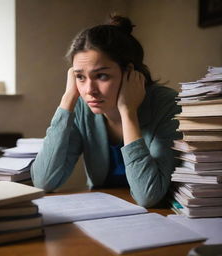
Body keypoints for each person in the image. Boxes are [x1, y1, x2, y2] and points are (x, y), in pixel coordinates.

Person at [31, 15, 181, 208]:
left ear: (129, 72)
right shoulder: (81, 106)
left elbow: (148, 196)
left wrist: (128, 113)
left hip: (161, 218)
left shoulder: (167, 105)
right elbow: (44, 181)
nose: (89, 91)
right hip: (103, 213)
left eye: (101, 75)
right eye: (80, 77)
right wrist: (68, 100)